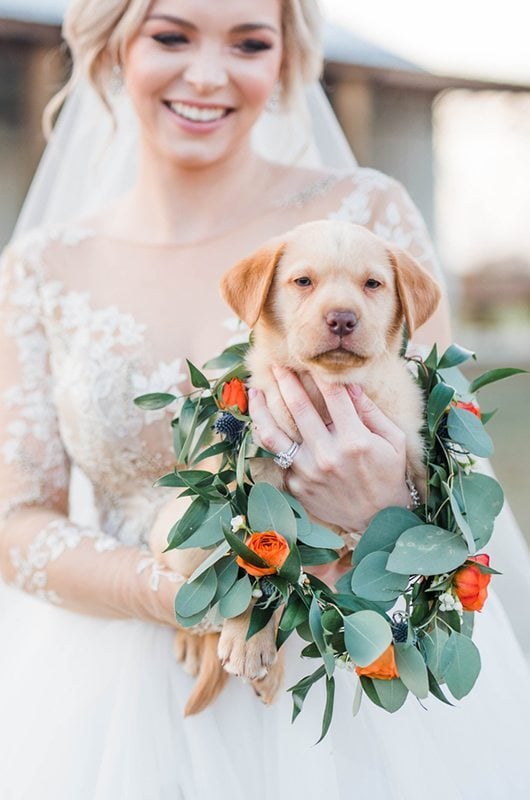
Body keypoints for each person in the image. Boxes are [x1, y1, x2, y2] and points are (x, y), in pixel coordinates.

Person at [0, 1, 529, 797]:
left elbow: (453, 462)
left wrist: (382, 504)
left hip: (344, 674)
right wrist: (186, 594)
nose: (208, 74)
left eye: (249, 42)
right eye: (171, 35)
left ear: (286, 62)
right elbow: (16, 520)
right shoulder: (43, 265)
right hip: (113, 687)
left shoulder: (369, 214)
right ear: (111, 47)